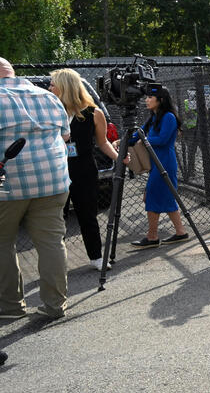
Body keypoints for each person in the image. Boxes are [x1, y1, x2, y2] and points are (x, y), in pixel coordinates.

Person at [0, 57, 70, 320]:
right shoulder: (47, 97)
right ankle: (55, 306)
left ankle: (11, 307)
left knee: (2, 243)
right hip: (53, 180)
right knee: (52, 242)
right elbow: (64, 136)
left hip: (7, 185)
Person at [49, 69, 120, 270]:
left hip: (84, 170)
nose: (49, 88)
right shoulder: (50, 111)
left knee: (87, 215)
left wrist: (120, 159)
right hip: (56, 170)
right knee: (56, 220)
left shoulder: (94, 113)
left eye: (53, 84)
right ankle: (55, 263)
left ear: (65, 87)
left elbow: (103, 142)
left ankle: (97, 257)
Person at [128, 87, 188, 248]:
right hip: (156, 163)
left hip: (165, 163)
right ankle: (181, 232)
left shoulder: (168, 117)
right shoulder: (153, 117)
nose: (146, 100)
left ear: (160, 99)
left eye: (150, 97)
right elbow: (137, 136)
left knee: (152, 196)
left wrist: (144, 140)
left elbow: (162, 139)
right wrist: (123, 142)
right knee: (167, 197)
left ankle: (152, 236)